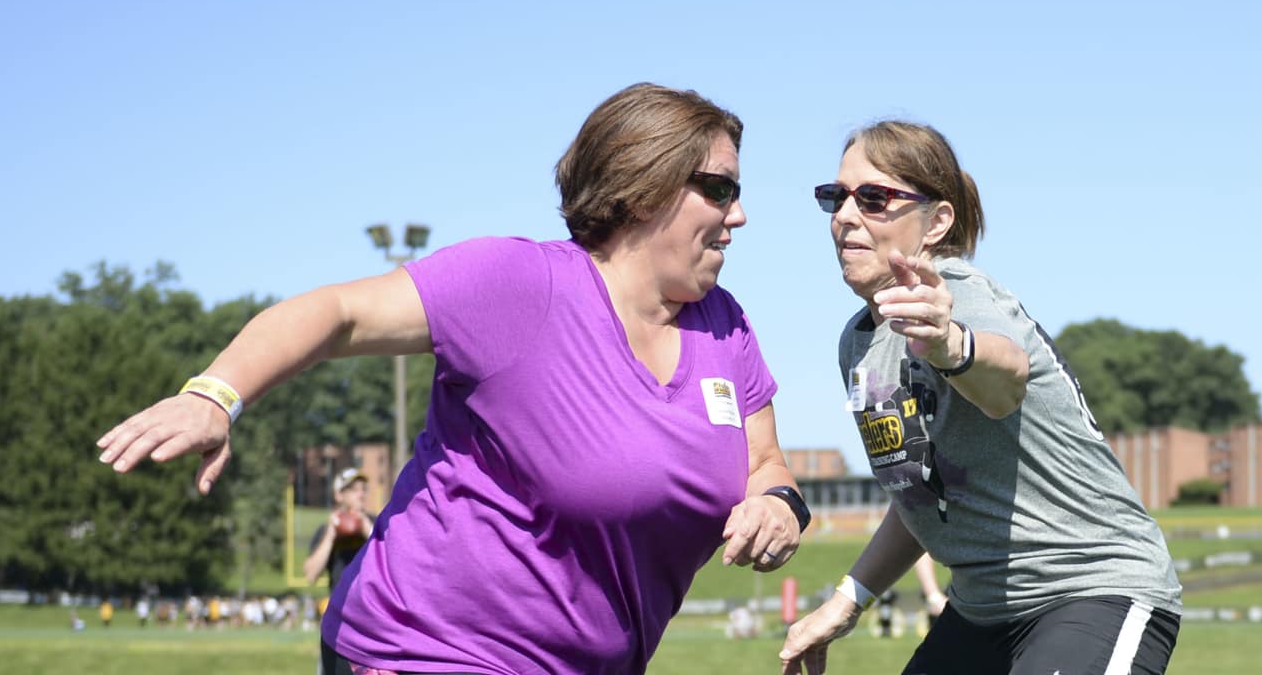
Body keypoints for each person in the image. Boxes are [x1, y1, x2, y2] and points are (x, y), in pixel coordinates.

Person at [96, 82, 810, 674]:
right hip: (425, 651)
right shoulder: (520, 285)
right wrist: (215, 395)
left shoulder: (725, 325)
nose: (738, 215)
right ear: (642, 186)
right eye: (717, 189)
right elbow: (339, 313)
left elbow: (764, 462)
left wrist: (778, 503)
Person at [779, 120, 1181, 675]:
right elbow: (922, 491)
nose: (845, 216)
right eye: (836, 197)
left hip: (1093, 589)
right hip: (982, 610)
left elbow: (1005, 381)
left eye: (873, 199)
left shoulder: (958, 294)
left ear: (936, 221)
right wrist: (848, 600)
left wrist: (949, 345)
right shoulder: (858, 343)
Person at [303, 468, 374, 588]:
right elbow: (311, 575)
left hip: (373, 604)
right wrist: (330, 536)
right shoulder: (327, 530)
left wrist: (369, 531)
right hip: (342, 604)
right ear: (339, 495)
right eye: (354, 490)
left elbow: (394, 563)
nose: (361, 494)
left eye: (363, 489)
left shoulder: (378, 523)